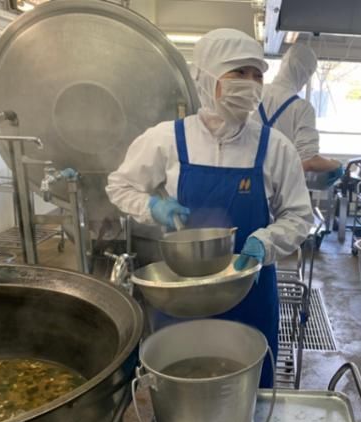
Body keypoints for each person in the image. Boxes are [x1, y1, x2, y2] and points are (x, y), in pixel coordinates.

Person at [106, 28, 314, 388]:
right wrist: (152, 206)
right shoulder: (167, 139)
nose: (250, 84)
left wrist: (265, 242)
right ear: (206, 76)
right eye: (239, 72)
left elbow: (299, 216)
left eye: (257, 75)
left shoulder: (276, 147)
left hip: (251, 288)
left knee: (251, 389)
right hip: (183, 292)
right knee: (183, 384)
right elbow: (119, 186)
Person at [253, 43, 344, 185]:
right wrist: (337, 166)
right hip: (278, 187)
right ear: (305, 74)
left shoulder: (254, 93)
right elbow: (309, 160)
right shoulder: (302, 108)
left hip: (244, 181)